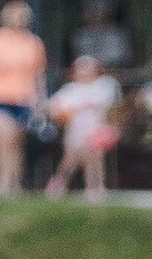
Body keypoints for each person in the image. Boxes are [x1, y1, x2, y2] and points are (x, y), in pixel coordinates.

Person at [0, 0, 46, 196]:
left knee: (15, 142)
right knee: (1, 137)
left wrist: (41, 100)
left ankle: (14, 182)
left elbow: (39, 74)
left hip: (23, 98)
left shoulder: (33, 43)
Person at [49, 53, 122, 197]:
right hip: (75, 131)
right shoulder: (69, 90)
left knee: (95, 158)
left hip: (95, 130)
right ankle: (59, 183)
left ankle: (95, 186)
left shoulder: (103, 86)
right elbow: (56, 110)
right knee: (70, 159)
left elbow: (111, 105)